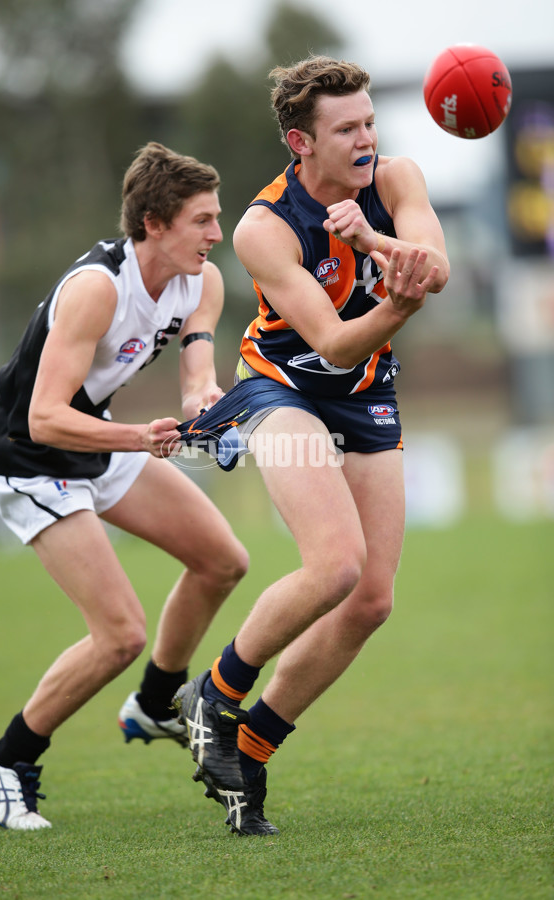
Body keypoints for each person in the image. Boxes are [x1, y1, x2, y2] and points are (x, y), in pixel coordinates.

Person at [173, 56, 450, 836]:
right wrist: (396, 298)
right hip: (282, 388)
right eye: (347, 129)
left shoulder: (395, 180)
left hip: (366, 396)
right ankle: (215, 695)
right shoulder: (264, 226)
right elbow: (330, 344)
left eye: (369, 122)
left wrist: (379, 243)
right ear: (302, 142)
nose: (367, 139)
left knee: (371, 600)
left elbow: (441, 269)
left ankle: (247, 750)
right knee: (335, 566)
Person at [0, 141, 249, 831]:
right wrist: (143, 437)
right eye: (202, 220)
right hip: (29, 455)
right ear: (153, 223)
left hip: (101, 436)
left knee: (222, 560)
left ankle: (154, 704)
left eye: (217, 218)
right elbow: (44, 417)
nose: (217, 234)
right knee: (118, 633)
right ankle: (6, 758)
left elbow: (196, 373)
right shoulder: (97, 288)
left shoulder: (200, 280)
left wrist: (206, 405)